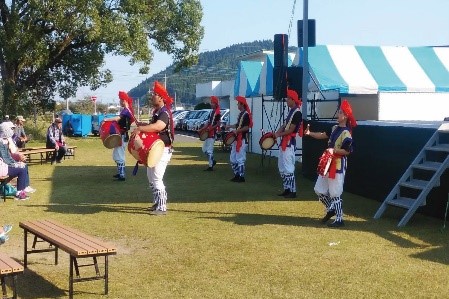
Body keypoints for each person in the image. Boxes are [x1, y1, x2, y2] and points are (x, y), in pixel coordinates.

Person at [304, 99, 357, 228]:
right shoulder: (334, 128)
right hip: (327, 163)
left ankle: (340, 218)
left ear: (345, 116)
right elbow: (323, 135)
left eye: (339, 112)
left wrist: (334, 150)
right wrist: (309, 133)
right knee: (319, 190)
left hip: (337, 165)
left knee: (335, 192)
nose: (337, 114)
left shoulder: (346, 134)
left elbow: (348, 151)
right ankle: (331, 208)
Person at [134, 81, 174, 215]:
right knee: (151, 178)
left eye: (155, 95)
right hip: (156, 149)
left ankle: (162, 208)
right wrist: (143, 124)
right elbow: (153, 126)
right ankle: (158, 203)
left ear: (161, 98)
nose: (152, 97)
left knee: (156, 178)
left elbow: (158, 127)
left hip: (162, 150)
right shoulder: (158, 112)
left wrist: (140, 128)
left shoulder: (164, 113)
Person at [275, 89, 302, 198]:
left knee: (288, 167)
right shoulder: (291, 111)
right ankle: (287, 188)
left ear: (292, 99)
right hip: (284, 142)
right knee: (281, 166)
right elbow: (285, 125)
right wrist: (277, 132)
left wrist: (279, 134)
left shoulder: (297, 113)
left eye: (288, 98)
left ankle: (293, 190)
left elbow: (291, 130)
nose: (286, 100)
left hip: (289, 143)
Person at [104, 91, 135, 181]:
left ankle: (122, 175)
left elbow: (118, 118)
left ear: (124, 100)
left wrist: (107, 119)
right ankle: (120, 173)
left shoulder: (126, 110)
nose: (119, 102)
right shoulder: (128, 110)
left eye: (120, 100)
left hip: (122, 136)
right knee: (117, 154)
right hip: (121, 135)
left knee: (119, 155)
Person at [0, 122, 35, 200]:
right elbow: (4, 157)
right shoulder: (1, 141)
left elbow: (8, 156)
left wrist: (15, 162)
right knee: (21, 169)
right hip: (1, 167)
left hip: (3, 166)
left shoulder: (4, 140)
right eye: (11, 129)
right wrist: (14, 164)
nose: (12, 130)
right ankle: (19, 193)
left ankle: (23, 188)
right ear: (5, 130)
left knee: (22, 165)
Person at [226, 96, 253, 183]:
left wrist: (237, 130)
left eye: (238, 103)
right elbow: (238, 125)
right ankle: (237, 174)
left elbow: (246, 128)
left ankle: (241, 176)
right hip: (237, 139)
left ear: (242, 104)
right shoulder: (242, 114)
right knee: (233, 158)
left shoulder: (246, 115)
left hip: (242, 139)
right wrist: (230, 126)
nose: (237, 105)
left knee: (240, 159)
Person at [198, 96, 221, 171]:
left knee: (209, 150)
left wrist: (211, 128)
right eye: (211, 102)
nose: (211, 104)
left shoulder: (218, 113)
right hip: (208, 132)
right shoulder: (212, 112)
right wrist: (201, 129)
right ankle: (212, 161)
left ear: (216, 103)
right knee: (204, 149)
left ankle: (211, 166)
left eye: (212, 103)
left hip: (212, 133)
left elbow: (218, 124)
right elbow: (208, 122)